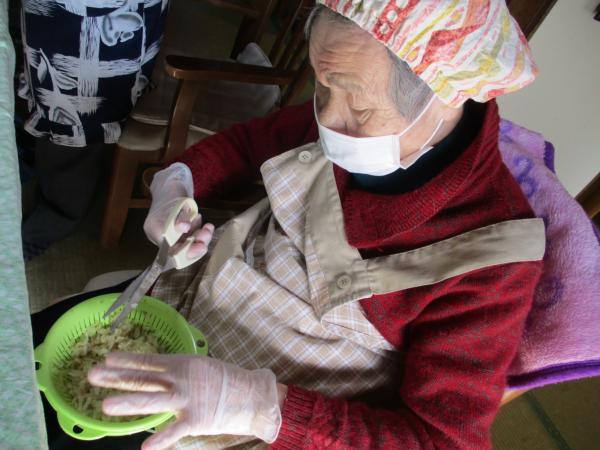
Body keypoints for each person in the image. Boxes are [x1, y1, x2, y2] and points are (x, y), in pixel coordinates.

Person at [87, 1, 546, 449]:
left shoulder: (493, 262)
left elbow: (441, 440)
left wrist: (259, 406)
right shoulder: (342, 104)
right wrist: (178, 181)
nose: (325, 118)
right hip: (196, 296)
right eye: (321, 87)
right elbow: (247, 144)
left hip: (281, 417)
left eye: (358, 107)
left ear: (444, 100)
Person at [19, 0, 169, 260]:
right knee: (46, 89)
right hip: (56, 15)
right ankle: (36, 161)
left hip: (104, 19)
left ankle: (49, 223)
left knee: (78, 124)